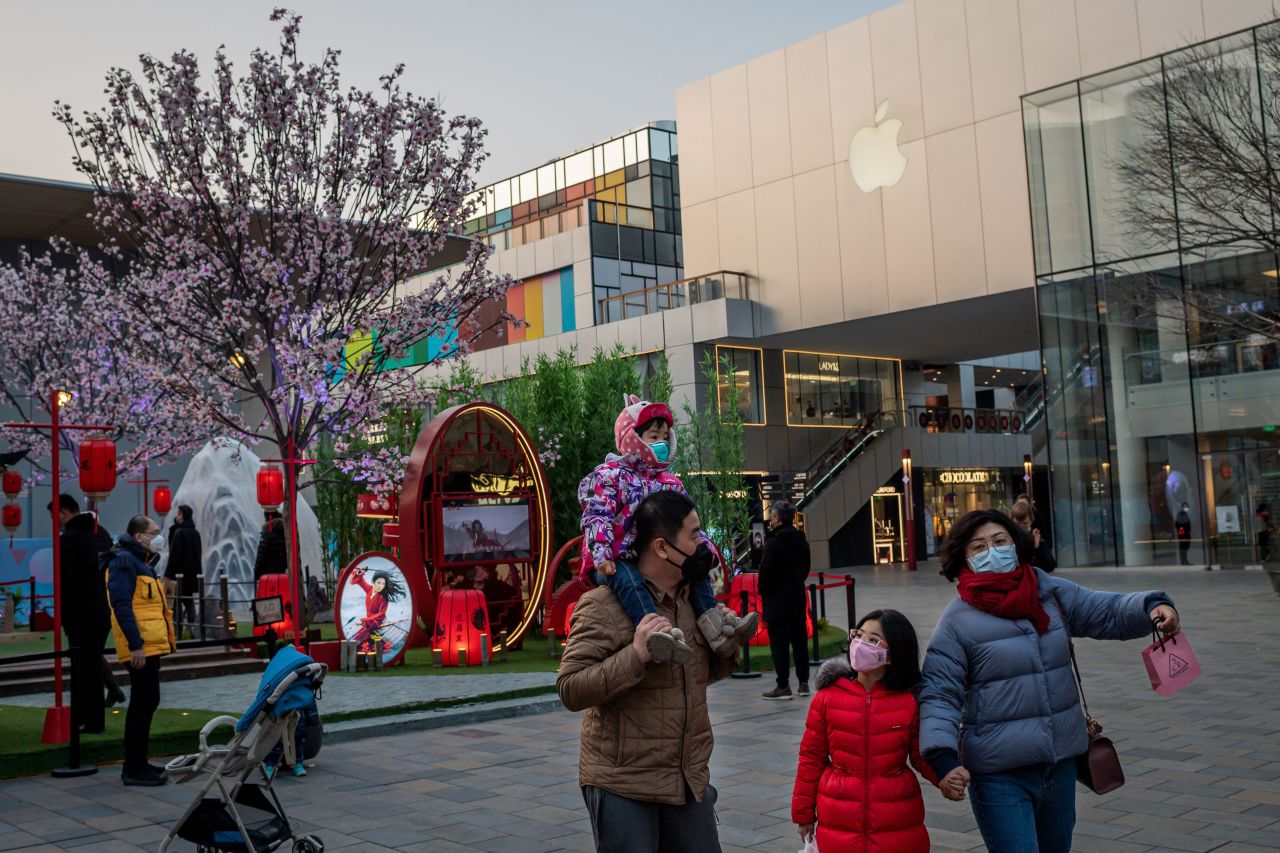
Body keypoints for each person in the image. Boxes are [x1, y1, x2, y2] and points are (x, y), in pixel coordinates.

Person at [918, 509, 1182, 852]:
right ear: (963, 558)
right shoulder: (956, 621)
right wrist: (942, 758)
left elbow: (1106, 611)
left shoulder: (1049, 591)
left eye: (1000, 541)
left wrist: (1152, 606)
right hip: (999, 774)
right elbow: (939, 693)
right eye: (978, 547)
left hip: (1059, 765)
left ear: (1017, 543)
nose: (992, 551)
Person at [557, 491, 743, 852]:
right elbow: (570, 688)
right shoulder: (601, 605)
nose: (702, 543)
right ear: (661, 547)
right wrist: (637, 655)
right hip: (624, 784)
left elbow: (699, 675)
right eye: (694, 535)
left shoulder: (693, 601)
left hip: (688, 780)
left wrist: (727, 644)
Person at [577, 394, 756, 663]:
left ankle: (715, 628)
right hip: (618, 556)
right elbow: (596, 516)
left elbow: (688, 523)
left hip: (659, 556)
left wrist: (704, 549)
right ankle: (654, 631)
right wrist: (602, 554)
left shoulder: (669, 482)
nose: (660, 443)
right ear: (631, 438)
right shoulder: (609, 476)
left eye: (664, 436)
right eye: (652, 436)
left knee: (694, 569)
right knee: (629, 581)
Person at [792, 610, 941, 852]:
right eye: (858, 636)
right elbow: (811, 758)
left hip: (897, 818)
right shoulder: (827, 698)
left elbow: (921, 755)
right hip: (838, 816)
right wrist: (803, 814)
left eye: (872, 640)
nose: (860, 644)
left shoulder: (909, 701)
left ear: (893, 655)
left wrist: (947, 776)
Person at [106, 516, 176, 786]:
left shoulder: (142, 563)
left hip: (149, 644)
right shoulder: (124, 562)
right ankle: (133, 768)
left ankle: (139, 762)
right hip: (140, 646)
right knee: (142, 703)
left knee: (148, 701)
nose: (158, 537)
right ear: (138, 537)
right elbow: (121, 605)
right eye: (154, 532)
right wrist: (135, 644)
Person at [51, 494, 123, 733]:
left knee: (83, 670)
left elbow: (66, 581)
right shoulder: (100, 533)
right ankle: (92, 719)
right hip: (101, 610)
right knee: (92, 666)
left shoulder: (68, 540)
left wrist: (64, 615)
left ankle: (87, 719)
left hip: (79, 614)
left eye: (55, 517)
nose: (54, 522)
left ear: (63, 513)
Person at [759, 501, 811, 700]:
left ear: (779, 519)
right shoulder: (801, 540)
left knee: (779, 646)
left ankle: (783, 686)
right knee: (800, 643)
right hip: (797, 597)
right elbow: (806, 568)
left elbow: (765, 573)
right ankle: (804, 683)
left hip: (777, 601)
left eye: (772, 515)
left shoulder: (773, 543)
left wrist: (764, 590)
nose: (771, 519)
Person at [164, 504, 203, 637]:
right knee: (189, 602)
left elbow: (174, 556)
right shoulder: (195, 532)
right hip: (192, 576)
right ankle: (193, 631)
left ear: (183, 515)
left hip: (178, 576)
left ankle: (178, 633)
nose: (176, 516)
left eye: (178, 513)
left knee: (176, 604)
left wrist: (167, 575)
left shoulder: (179, 532)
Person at [348, 567, 406, 652]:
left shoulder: (383, 597)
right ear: (373, 581)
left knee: (362, 637)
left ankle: (355, 647)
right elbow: (354, 581)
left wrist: (365, 620)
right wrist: (358, 573)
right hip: (369, 621)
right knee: (364, 638)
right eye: (378, 582)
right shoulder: (369, 589)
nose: (380, 586)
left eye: (383, 584)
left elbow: (381, 614)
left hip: (377, 621)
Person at [1010, 497, 1056, 572]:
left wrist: (1036, 549)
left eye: (1025, 523)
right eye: (1017, 524)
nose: (1021, 527)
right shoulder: (1007, 539)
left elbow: (1050, 565)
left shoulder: (1035, 538)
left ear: (1031, 521)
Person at [254, 516, 288, 580]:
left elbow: (261, 556)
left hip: (266, 574)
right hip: (280, 573)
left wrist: (256, 573)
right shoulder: (285, 537)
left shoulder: (267, 535)